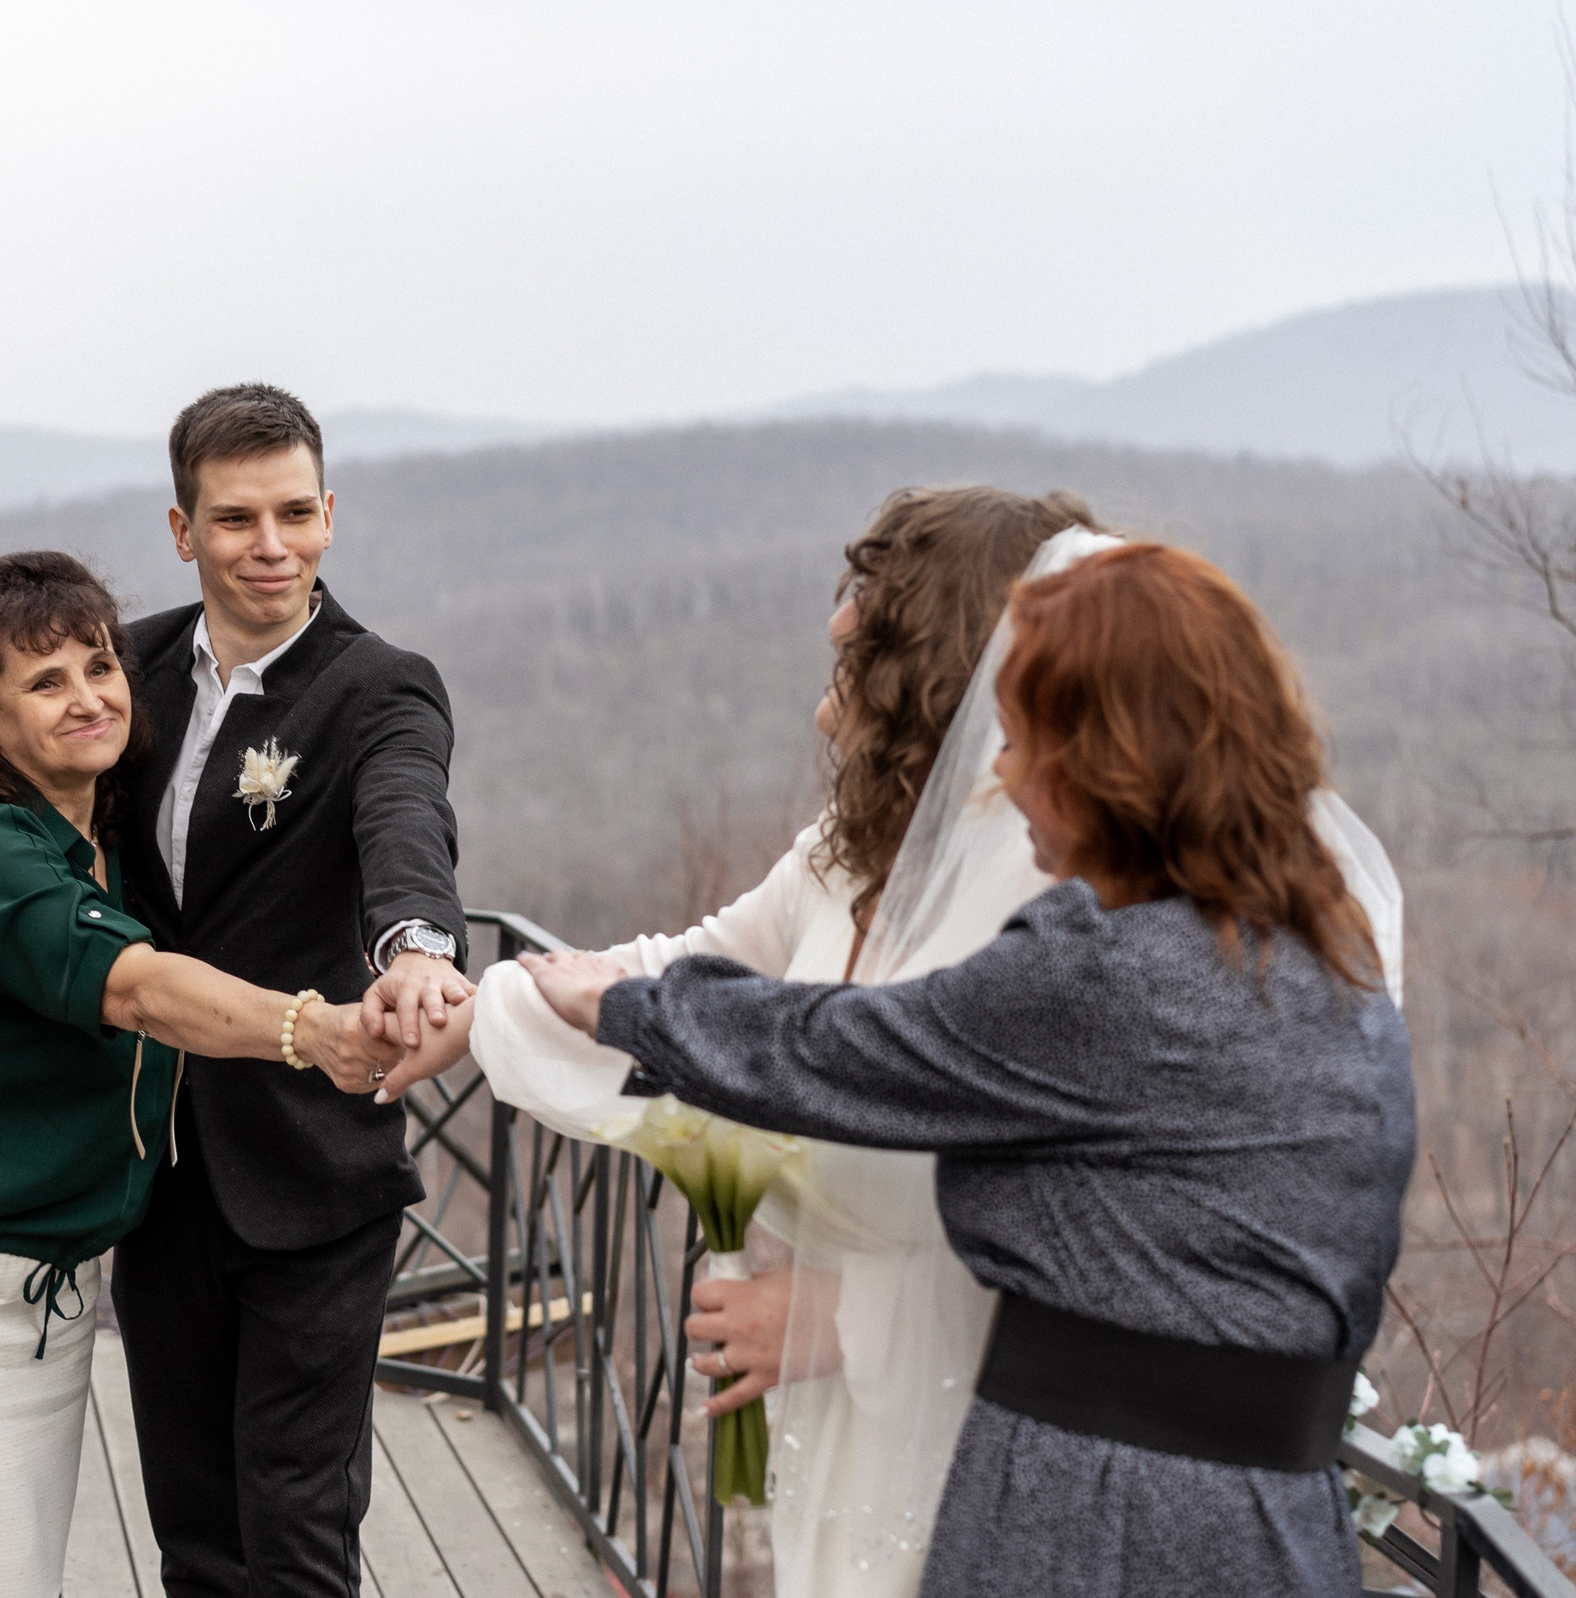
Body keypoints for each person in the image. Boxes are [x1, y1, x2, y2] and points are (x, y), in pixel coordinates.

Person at [513, 541, 1417, 1598]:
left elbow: (844, 1051)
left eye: (1025, 742)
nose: (1003, 775)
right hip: (1279, 1525)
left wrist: (624, 1006)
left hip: (1099, 1521)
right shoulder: (1324, 953)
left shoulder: (1108, 976)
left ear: (1110, 760)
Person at [369, 484, 1118, 1596]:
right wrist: (482, 1013)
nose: (825, 712)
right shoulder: (846, 850)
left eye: (854, 667)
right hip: (836, 1423)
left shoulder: (1063, 899)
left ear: (935, 680)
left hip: (980, 1443)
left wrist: (839, 1320)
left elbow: (1094, 1236)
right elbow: (688, 973)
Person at [0, 385, 471, 1597]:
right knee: (194, 1532)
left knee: (296, 1531)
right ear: (183, 529)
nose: (269, 545)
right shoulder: (128, 674)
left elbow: (405, 822)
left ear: (329, 515)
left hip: (309, 1171)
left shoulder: (379, 687)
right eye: (235, 519)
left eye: (294, 513)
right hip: (153, 1176)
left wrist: (419, 948)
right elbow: (13, 827)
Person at [0, 550, 386, 1598]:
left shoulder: (103, 834)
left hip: (39, 1290)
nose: (88, 697)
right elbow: (135, 987)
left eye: (99, 666)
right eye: (45, 681)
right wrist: (312, 1030)